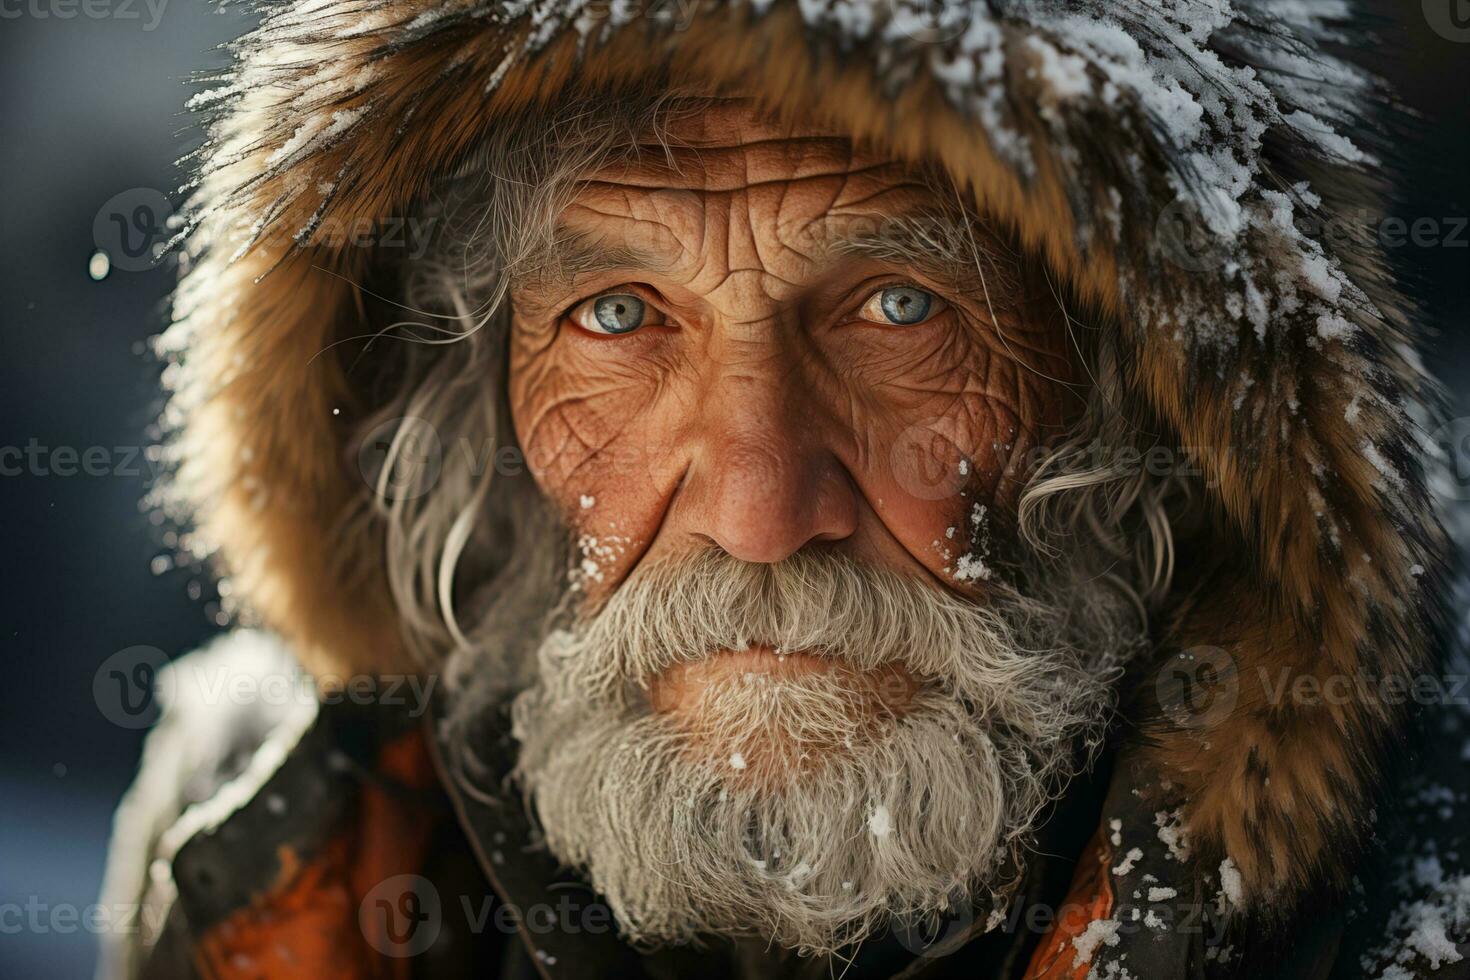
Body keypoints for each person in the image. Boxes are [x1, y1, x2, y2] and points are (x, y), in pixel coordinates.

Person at [102, 2, 1469, 977]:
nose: (759, 512)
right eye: (620, 315)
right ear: (467, 408)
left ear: (1147, 388)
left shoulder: (1428, 871)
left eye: (896, 306)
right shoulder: (281, 844)